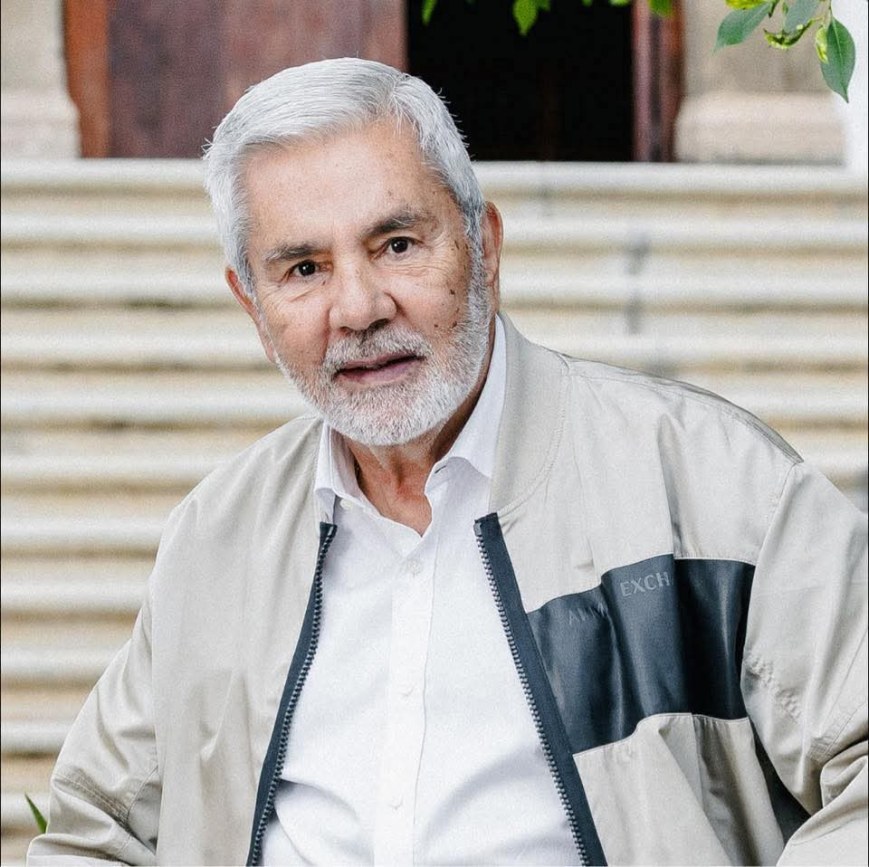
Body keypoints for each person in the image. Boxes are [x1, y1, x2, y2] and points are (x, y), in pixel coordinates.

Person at [28, 58, 866, 867]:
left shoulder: (709, 484)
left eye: (395, 244)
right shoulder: (217, 540)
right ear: (253, 303)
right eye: (304, 268)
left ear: (484, 247)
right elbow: (94, 829)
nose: (357, 307)